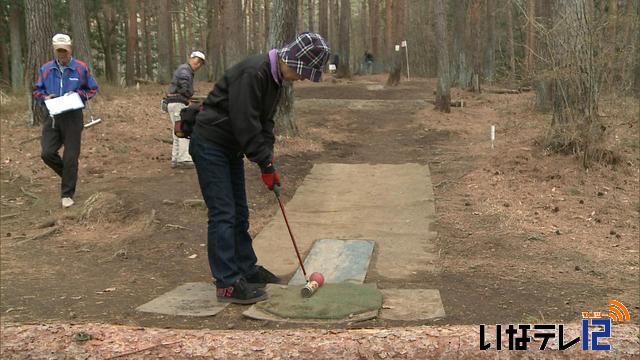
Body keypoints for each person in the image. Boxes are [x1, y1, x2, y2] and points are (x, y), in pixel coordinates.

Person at [189, 32, 331, 304]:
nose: (302, 78)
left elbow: (264, 123)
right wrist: (263, 162)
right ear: (293, 60)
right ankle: (227, 283)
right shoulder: (254, 73)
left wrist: (269, 160)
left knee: (240, 212)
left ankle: (246, 268)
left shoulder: (275, 80)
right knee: (223, 213)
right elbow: (246, 124)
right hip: (210, 144)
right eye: (304, 72)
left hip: (230, 147)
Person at [33, 33, 99, 208]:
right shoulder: (46, 69)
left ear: (70, 49)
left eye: (65, 51)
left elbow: (92, 89)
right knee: (47, 153)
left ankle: (67, 194)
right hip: (52, 116)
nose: (62, 55)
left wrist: (78, 94)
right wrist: (45, 98)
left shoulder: (80, 68)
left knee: (70, 157)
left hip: (73, 116)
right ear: (54, 50)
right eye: (59, 51)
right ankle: (70, 176)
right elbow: (37, 91)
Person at [165, 51, 206, 169]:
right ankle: (183, 159)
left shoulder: (184, 70)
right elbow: (184, 87)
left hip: (174, 102)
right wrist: (188, 95)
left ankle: (176, 159)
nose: (197, 64)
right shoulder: (185, 71)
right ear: (191, 59)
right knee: (183, 129)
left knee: (177, 130)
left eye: (199, 63)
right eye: (196, 61)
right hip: (177, 103)